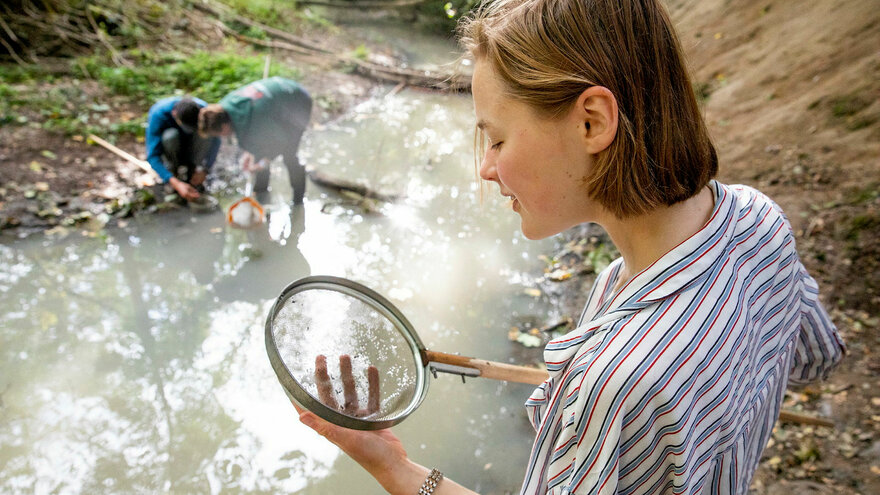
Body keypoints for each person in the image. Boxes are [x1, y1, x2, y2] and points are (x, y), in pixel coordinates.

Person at [294, 1, 846, 494]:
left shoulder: (618, 380)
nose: (486, 168)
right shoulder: (756, 217)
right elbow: (814, 357)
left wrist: (397, 474)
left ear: (592, 122)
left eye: (499, 139)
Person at [198, 77, 313, 205]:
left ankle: (298, 200)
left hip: (298, 101)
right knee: (261, 151)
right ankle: (261, 192)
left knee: (290, 154)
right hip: (274, 99)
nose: (222, 137)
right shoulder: (223, 108)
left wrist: (264, 162)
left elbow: (282, 142)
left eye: (219, 134)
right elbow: (256, 141)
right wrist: (250, 153)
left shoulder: (256, 120)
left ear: (224, 126)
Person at [145, 97, 221, 201]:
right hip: (172, 149)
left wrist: (205, 169)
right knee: (170, 136)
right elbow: (152, 156)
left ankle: (193, 173)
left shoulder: (204, 110)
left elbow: (216, 139)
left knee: (205, 135)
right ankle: (174, 176)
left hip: (193, 148)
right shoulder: (158, 115)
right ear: (174, 115)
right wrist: (174, 182)